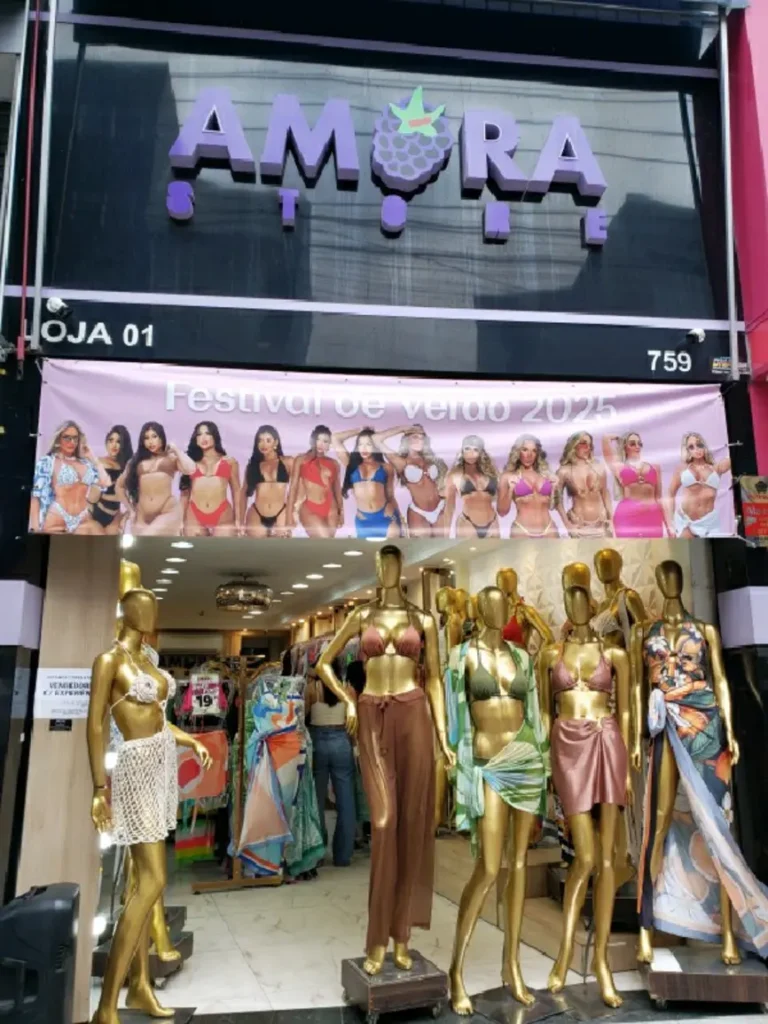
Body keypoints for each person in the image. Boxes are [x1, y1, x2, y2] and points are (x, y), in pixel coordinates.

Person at [304, 660, 358, 867]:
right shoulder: (348, 691)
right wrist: (355, 747)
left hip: (318, 741)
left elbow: (302, 715)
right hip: (341, 740)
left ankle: (317, 852)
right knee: (346, 800)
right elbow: (355, 723)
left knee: (316, 799)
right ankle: (343, 855)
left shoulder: (312, 689)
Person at [30, 420, 111, 534]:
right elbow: (36, 496)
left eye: (75, 438)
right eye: (67, 438)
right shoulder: (48, 462)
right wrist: (35, 528)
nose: (72, 442)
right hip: (58, 514)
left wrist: (92, 457)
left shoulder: (86, 463)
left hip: (83, 516)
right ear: (59, 439)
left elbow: (106, 483)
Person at [118, 422, 196, 536]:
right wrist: (130, 510)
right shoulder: (135, 462)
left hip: (167, 511)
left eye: (154, 436)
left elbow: (191, 469)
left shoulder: (171, 458)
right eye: (146, 438)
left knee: (146, 539)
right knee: (142, 546)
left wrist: (176, 449)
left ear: (161, 438)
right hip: (141, 517)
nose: (150, 441)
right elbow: (119, 486)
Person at [372, 424, 448, 536]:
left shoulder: (430, 460)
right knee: (420, 546)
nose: (419, 440)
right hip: (418, 512)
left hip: (440, 507)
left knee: (443, 545)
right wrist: (401, 429)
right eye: (415, 437)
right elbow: (376, 439)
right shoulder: (401, 462)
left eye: (421, 437)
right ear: (407, 439)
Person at [333, 427, 402, 539]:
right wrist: (359, 430)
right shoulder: (351, 465)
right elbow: (335, 438)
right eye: (360, 444)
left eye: (369, 444)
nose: (364, 448)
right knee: (366, 550)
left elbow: (390, 496)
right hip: (364, 521)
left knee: (390, 549)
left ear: (375, 446)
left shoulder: (386, 467)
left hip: (386, 517)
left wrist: (400, 519)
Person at [179, 421, 241, 537]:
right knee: (196, 548)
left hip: (223, 515)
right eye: (199, 434)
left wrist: (239, 520)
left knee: (222, 548)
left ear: (215, 436)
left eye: (207, 433)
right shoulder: (190, 462)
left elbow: (236, 491)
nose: (203, 437)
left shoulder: (229, 462)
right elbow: (184, 494)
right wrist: (180, 521)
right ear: (195, 439)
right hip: (194, 515)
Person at [602, 432, 666, 538]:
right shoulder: (620, 467)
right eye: (632, 444)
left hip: (652, 516)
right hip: (627, 516)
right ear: (625, 447)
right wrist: (618, 438)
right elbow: (605, 441)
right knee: (630, 547)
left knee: (653, 547)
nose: (637, 446)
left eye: (639, 444)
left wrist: (668, 526)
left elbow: (659, 498)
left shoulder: (655, 467)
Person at [285, 425, 344, 538]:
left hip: (331, 508)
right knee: (324, 539)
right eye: (318, 440)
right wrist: (288, 516)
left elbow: (337, 490)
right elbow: (293, 489)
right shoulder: (301, 460)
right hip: (310, 508)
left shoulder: (334, 463)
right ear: (312, 441)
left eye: (325, 441)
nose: (321, 444)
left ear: (329, 445)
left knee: (329, 543)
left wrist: (341, 513)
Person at [668, 432, 731, 537]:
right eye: (691, 447)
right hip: (685, 521)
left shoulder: (716, 468)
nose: (697, 449)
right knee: (684, 547)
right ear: (687, 450)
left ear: (704, 446)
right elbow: (671, 493)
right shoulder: (682, 469)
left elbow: (734, 455)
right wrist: (671, 522)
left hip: (709, 523)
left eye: (699, 445)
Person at [498, 434, 558, 538]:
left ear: (537, 454)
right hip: (522, 530)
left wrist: (554, 489)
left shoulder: (545, 475)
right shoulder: (507, 476)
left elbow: (551, 506)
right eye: (525, 450)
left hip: (549, 529)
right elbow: (502, 512)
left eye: (533, 451)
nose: (529, 455)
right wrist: (511, 489)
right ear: (518, 452)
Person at [556, 431, 613, 538]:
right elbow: (557, 500)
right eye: (583, 443)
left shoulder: (598, 468)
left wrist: (611, 520)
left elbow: (605, 494)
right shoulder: (564, 471)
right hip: (579, 525)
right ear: (573, 445)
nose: (587, 447)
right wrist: (568, 525)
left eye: (590, 444)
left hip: (602, 524)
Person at [242, 425, 294, 538]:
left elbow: (296, 490)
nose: (263, 444)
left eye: (268, 440)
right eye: (260, 440)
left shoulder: (288, 462)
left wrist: (292, 516)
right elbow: (243, 495)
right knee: (256, 549)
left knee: (280, 547)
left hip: (281, 513)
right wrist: (240, 522)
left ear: (276, 442)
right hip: (256, 514)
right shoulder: (252, 466)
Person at [444, 435, 500, 538]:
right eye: (467, 448)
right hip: (467, 523)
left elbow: (500, 498)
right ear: (462, 450)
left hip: (492, 523)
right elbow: (449, 508)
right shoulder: (454, 475)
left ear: (481, 452)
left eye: (475, 449)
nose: (471, 453)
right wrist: (445, 536)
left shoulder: (492, 473)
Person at [89, 425, 134, 534]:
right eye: (111, 440)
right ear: (106, 443)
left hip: (114, 517)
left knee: (112, 544)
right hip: (94, 514)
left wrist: (124, 517)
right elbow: (92, 498)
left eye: (118, 441)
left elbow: (134, 498)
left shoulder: (127, 467)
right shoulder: (99, 463)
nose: (114, 445)